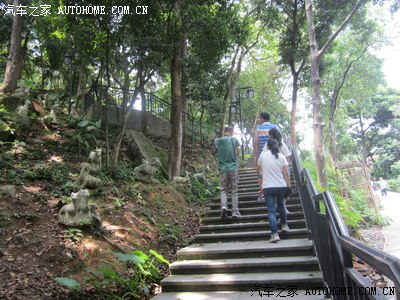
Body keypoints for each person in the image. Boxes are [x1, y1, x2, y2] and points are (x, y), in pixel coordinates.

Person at [258, 138, 291, 243]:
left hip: (268, 187)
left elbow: (259, 172)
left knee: (271, 210)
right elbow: (286, 174)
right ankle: (284, 225)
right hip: (281, 186)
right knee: (281, 205)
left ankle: (274, 234)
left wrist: (265, 175)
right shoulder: (281, 157)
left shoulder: (262, 156)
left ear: (267, 146)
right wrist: (288, 186)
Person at [262, 127, 291, 214]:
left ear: (270, 135)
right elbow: (288, 157)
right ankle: (283, 208)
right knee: (283, 189)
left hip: (272, 170)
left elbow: (263, 156)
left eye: (268, 135)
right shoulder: (282, 145)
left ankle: (276, 208)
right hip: (283, 168)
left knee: (273, 187)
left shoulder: (267, 145)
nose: (267, 137)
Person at [215, 126, 241, 220]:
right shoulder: (234, 140)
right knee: (234, 190)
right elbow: (238, 153)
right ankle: (234, 211)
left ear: (225, 131)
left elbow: (217, 151)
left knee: (223, 190)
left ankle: (223, 208)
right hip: (233, 167)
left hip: (222, 168)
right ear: (231, 131)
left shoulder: (217, 141)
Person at [253, 112, 280, 200]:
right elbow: (280, 139)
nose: (258, 120)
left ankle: (263, 193)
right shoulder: (275, 127)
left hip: (263, 155)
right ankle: (277, 192)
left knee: (261, 174)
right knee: (275, 172)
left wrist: (256, 156)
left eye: (259, 118)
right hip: (275, 154)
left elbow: (256, 143)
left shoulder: (259, 128)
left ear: (262, 118)